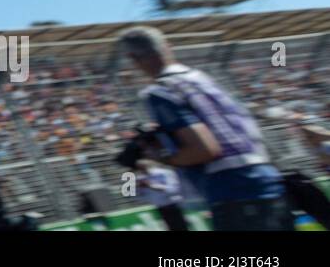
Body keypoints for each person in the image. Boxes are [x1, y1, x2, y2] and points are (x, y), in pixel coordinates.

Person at [118, 25, 291, 231]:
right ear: (167, 46)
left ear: (133, 58)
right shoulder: (201, 79)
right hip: (265, 177)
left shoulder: (160, 91)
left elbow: (206, 149)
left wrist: (161, 157)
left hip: (231, 189)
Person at [135, 160, 189, 231]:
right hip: (160, 207)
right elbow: (140, 198)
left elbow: (174, 189)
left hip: (173, 204)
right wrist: (140, 189)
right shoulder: (140, 179)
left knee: (181, 226)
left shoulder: (164, 173)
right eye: (139, 168)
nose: (142, 170)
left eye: (143, 167)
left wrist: (153, 186)